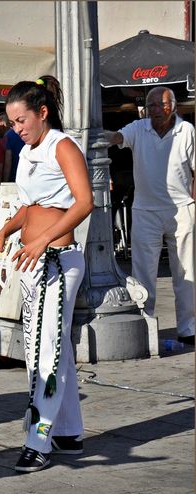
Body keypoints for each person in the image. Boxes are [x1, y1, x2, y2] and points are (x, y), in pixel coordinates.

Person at [0, 76, 93, 473]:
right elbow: (29, 206)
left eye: (22, 120)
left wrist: (42, 241)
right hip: (34, 261)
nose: (17, 128)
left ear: (42, 113)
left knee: (42, 352)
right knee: (50, 348)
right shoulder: (29, 151)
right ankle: (68, 431)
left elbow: (84, 203)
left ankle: (38, 441)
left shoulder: (62, 145)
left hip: (57, 262)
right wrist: (4, 233)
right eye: (12, 123)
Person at [105, 87, 195, 345]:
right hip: (145, 211)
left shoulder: (186, 131)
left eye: (160, 105)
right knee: (142, 273)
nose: (154, 110)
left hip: (182, 209)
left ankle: (188, 329)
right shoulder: (139, 127)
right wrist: (97, 134)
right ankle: (146, 326)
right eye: (151, 105)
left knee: (187, 271)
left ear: (172, 107)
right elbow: (117, 137)